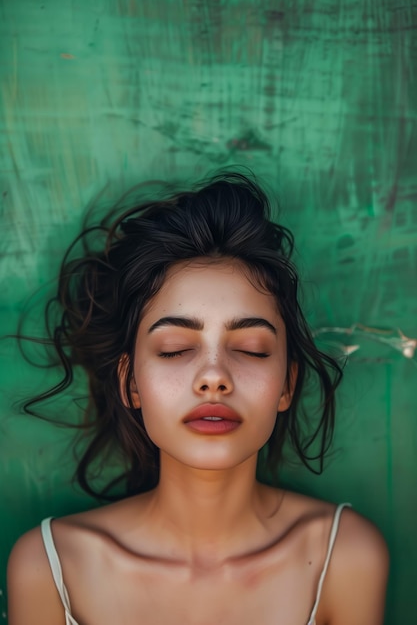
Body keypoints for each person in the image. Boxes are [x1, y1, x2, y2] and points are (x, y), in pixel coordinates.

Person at [7, 171, 388, 625]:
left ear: (287, 385)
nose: (214, 378)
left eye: (250, 349)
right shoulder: (49, 569)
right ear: (130, 382)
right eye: (175, 349)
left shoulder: (344, 558)